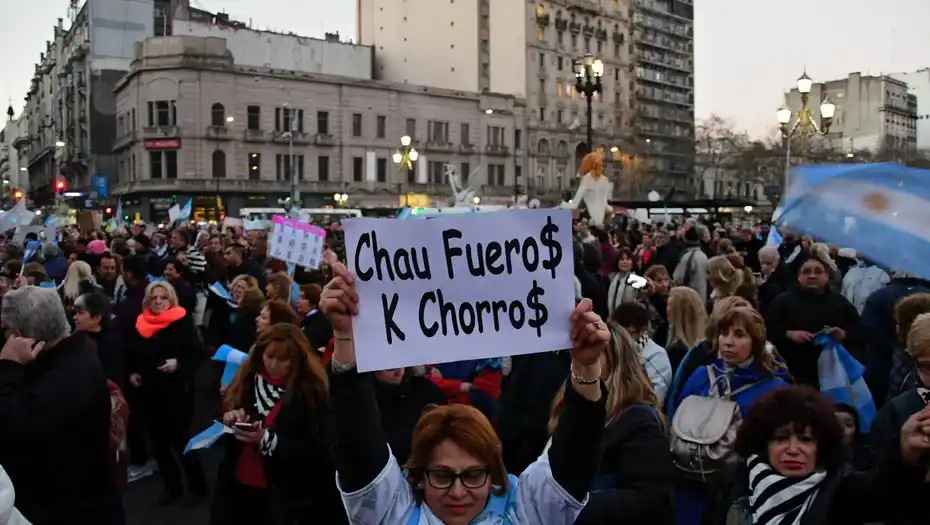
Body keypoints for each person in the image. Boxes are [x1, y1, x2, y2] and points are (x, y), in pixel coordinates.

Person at [321, 261, 611, 524]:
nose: (458, 492)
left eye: (473, 475)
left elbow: (571, 464)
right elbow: (358, 449)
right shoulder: (392, 513)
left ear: (495, 475)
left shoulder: (525, 513)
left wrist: (586, 369)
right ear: (418, 477)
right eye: (442, 476)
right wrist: (346, 338)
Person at [0, 286, 123, 524]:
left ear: (17, 335)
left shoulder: (62, 378)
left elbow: (9, 426)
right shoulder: (73, 356)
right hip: (83, 498)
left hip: (69, 508)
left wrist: (8, 368)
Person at [721, 385, 930, 524]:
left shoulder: (840, 488)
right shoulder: (737, 485)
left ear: (822, 445)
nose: (793, 449)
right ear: (763, 443)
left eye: (806, 439)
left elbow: (884, 492)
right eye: (781, 438)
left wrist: (904, 453)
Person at [211, 323, 347, 525]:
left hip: (283, 494)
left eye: (283, 359)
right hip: (237, 484)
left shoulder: (311, 394)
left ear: (297, 361)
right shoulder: (247, 380)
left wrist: (267, 440)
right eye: (269, 356)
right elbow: (224, 414)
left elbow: (320, 452)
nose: (273, 365)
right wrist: (229, 419)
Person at [554, 325, 675, 525]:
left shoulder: (639, 420)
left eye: (594, 353)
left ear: (617, 361)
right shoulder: (572, 410)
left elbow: (650, 498)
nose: (583, 359)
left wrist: (576, 506)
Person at [128, 281, 207, 506]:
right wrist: (133, 372)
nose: (159, 302)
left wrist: (178, 363)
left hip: (177, 391)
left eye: (163, 298)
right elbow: (135, 353)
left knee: (182, 441)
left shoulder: (181, 321)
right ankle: (173, 488)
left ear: (171, 300)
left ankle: (198, 487)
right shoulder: (141, 324)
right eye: (155, 298)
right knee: (159, 444)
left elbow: (197, 354)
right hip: (150, 392)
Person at [765, 253, 864, 388]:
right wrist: (788, 334)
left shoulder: (841, 304)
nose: (812, 276)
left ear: (826, 276)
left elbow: (860, 333)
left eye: (818, 271)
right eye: (806, 272)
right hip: (792, 374)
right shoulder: (781, 302)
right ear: (799, 276)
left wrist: (842, 334)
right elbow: (767, 331)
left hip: (833, 378)